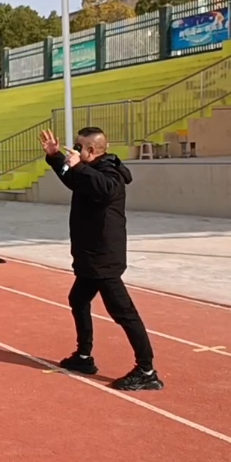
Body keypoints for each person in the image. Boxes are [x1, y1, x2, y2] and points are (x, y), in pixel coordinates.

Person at [40, 127, 163, 392]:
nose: (74, 149)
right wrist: (54, 156)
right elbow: (71, 179)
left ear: (92, 150)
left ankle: (147, 371)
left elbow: (105, 189)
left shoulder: (110, 173)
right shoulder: (88, 171)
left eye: (78, 147)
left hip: (104, 258)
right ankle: (84, 357)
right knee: (78, 300)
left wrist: (77, 166)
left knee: (124, 313)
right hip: (89, 256)